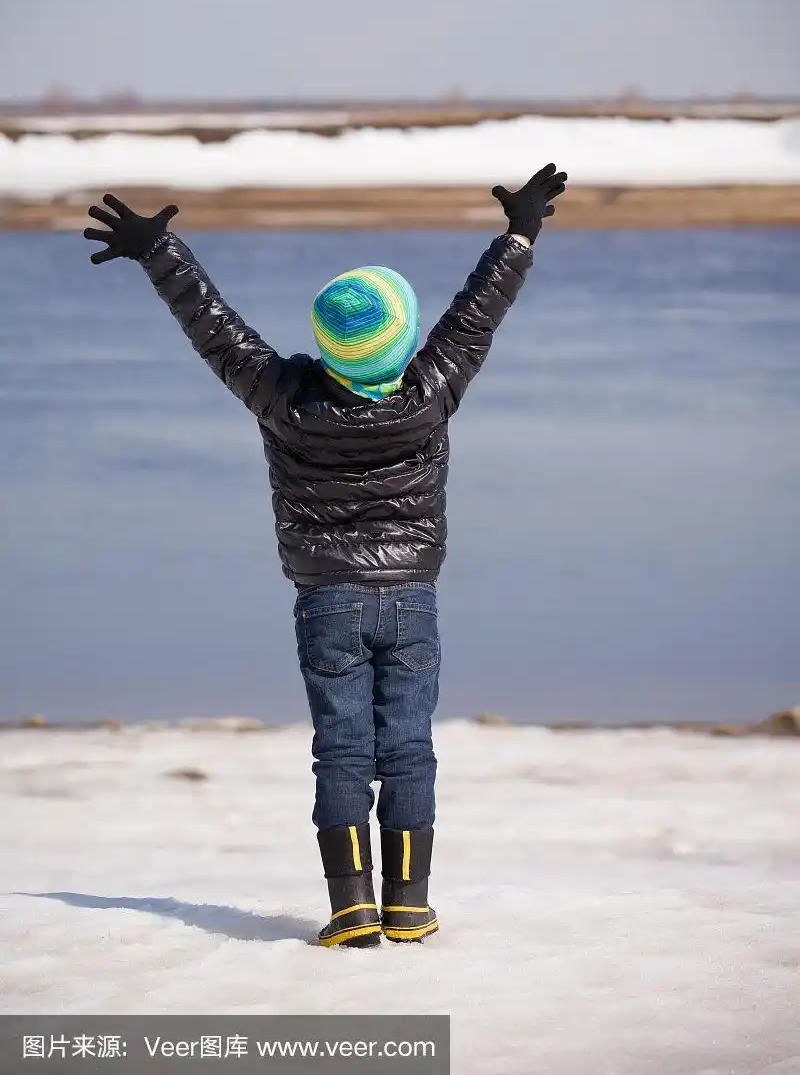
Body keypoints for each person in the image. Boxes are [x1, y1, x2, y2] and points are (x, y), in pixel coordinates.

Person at [83, 164, 568, 948]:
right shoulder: (432, 388)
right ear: (406, 343)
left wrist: (157, 253)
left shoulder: (284, 396)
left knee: (341, 751)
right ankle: (408, 905)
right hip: (410, 595)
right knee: (408, 748)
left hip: (327, 603)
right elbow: (477, 317)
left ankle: (351, 909)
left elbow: (215, 329)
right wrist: (519, 233)